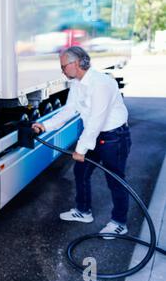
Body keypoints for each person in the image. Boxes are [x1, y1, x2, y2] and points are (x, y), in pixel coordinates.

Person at [32, 46, 132, 238]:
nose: (62, 71)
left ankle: (119, 222)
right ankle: (83, 211)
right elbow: (69, 110)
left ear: (75, 63)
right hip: (95, 134)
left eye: (63, 67)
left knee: (115, 180)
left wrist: (81, 149)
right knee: (81, 171)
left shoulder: (101, 83)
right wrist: (45, 125)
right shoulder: (77, 83)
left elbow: (96, 120)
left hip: (114, 137)